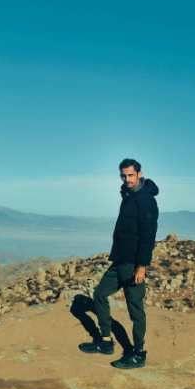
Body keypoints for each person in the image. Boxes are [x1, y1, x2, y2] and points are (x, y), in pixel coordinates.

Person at [79, 158, 159, 369]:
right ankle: (106, 341)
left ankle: (138, 354)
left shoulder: (146, 200)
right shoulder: (128, 195)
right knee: (99, 294)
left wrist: (142, 266)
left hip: (133, 265)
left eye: (131, 175)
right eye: (123, 176)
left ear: (139, 174)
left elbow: (148, 236)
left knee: (135, 310)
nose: (127, 179)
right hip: (120, 261)